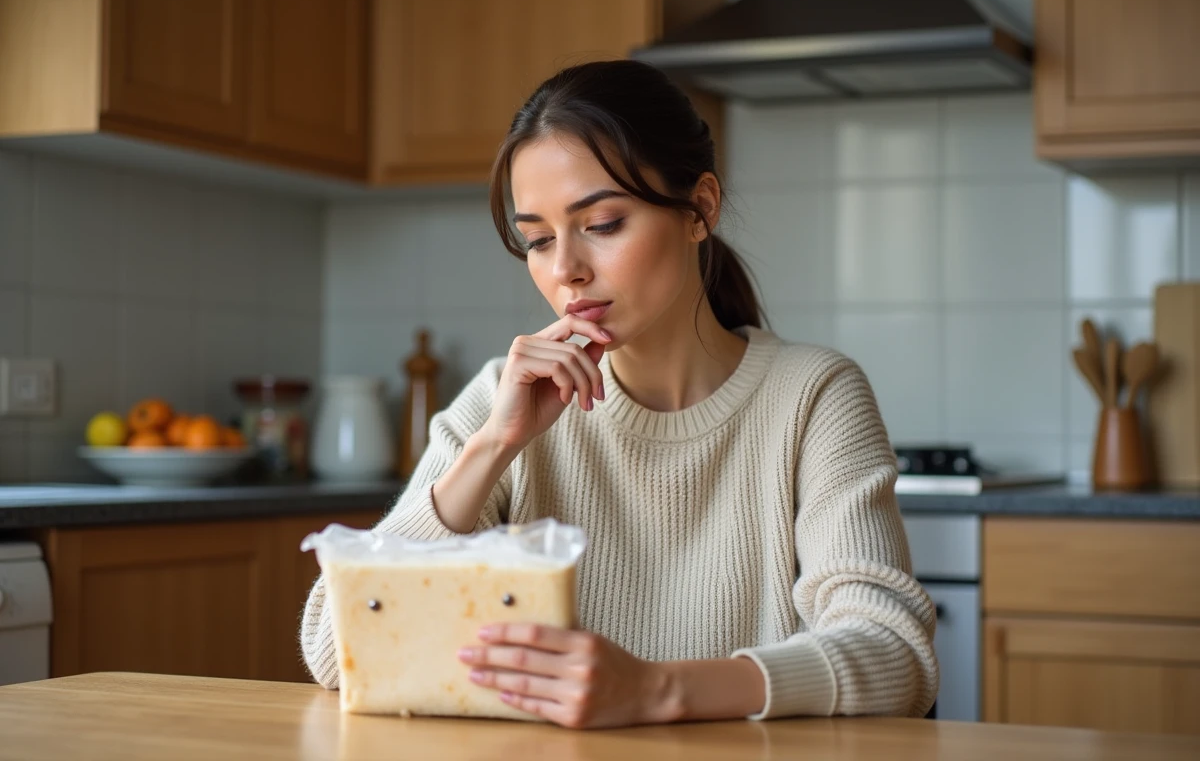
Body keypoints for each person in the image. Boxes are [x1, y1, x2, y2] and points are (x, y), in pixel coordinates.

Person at [301, 60, 938, 728]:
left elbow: (894, 652)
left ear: (700, 209)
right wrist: (492, 447)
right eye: (538, 240)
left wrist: (657, 691)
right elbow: (332, 649)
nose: (566, 270)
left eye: (602, 223)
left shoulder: (813, 396)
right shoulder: (502, 398)